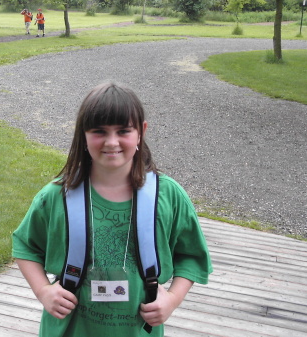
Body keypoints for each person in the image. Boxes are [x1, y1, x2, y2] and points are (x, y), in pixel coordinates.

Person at [12, 82, 213, 337]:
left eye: (123, 131)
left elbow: (191, 255)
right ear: (82, 135)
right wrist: (43, 291)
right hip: (70, 330)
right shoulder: (55, 196)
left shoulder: (168, 196)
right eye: (99, 131)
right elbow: (25, 245)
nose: (111, 142)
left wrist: (172, 299)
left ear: (141, 132)